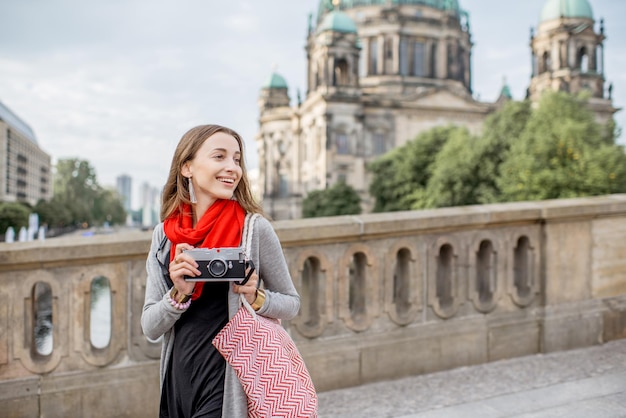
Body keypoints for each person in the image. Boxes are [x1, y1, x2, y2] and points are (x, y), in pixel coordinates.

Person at [141, 124, 301, 417]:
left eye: (237, 159)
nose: (232, 168)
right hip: (177, 383)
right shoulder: (164, 236)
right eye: (220, 157)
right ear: (187, 166)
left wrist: (256, 298)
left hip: (227, 385)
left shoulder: (254, 230)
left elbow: (292, 304)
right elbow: (150, 327)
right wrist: (179, 294)